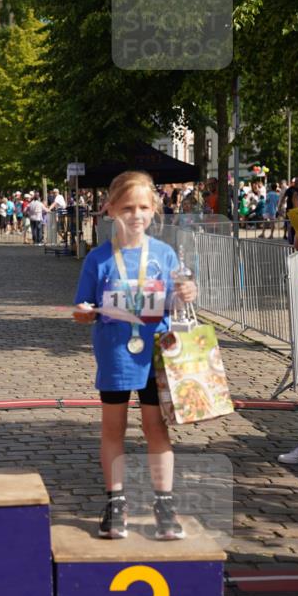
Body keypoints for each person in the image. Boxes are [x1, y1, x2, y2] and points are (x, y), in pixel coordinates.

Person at [73, 170, 198, 541]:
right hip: (115, 355)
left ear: (155, 208)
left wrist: (187, 292)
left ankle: (164, 503)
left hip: (156, 356)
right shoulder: (98, 259)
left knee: (155, 429)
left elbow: (176, 300)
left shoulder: (163, 254)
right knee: (113, 429)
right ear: (110, 209)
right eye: (127, 207)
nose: (136, 214)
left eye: (144, 206)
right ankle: (116, 501)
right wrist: (83, 311)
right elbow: (83, 307)